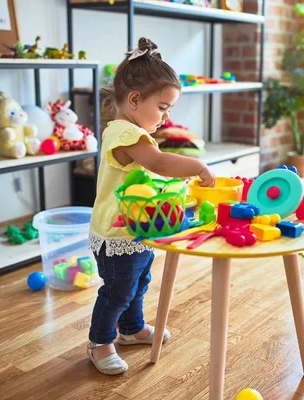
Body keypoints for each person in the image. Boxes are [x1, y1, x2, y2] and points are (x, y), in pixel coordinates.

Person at [87, 37, 216, 375]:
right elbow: (157, 164)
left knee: (139, 282)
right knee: (118, 290)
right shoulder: (124, 134)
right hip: (116, 231)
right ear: (134, 99)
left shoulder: (130, 132)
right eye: (162, 107)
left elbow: (149, 177)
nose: (165, 116)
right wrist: (197, 167)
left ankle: (131, 329)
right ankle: (100, 342)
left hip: (138, 227)